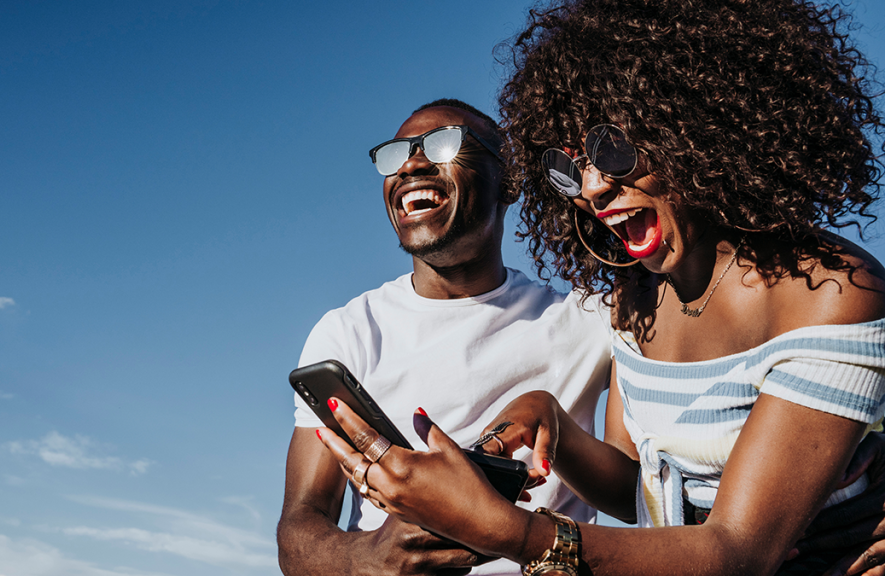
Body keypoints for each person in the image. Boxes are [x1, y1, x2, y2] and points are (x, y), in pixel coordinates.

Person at [315, 1, 885, 575]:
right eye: (571, 166)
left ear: (699, 125)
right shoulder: (632, 299)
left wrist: (508, 531)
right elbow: (639, 494)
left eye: (613, 150)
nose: (591, 188)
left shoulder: (829, 294)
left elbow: (736, 551)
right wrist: (554, 425)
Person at [276, 99, 613, 576]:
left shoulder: (586, 323)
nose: (412, 163)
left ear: (508, 183)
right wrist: (366, 560)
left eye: (443, 145)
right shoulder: (349, 332)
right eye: (396, 155)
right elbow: (298, 527)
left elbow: (639, 492)